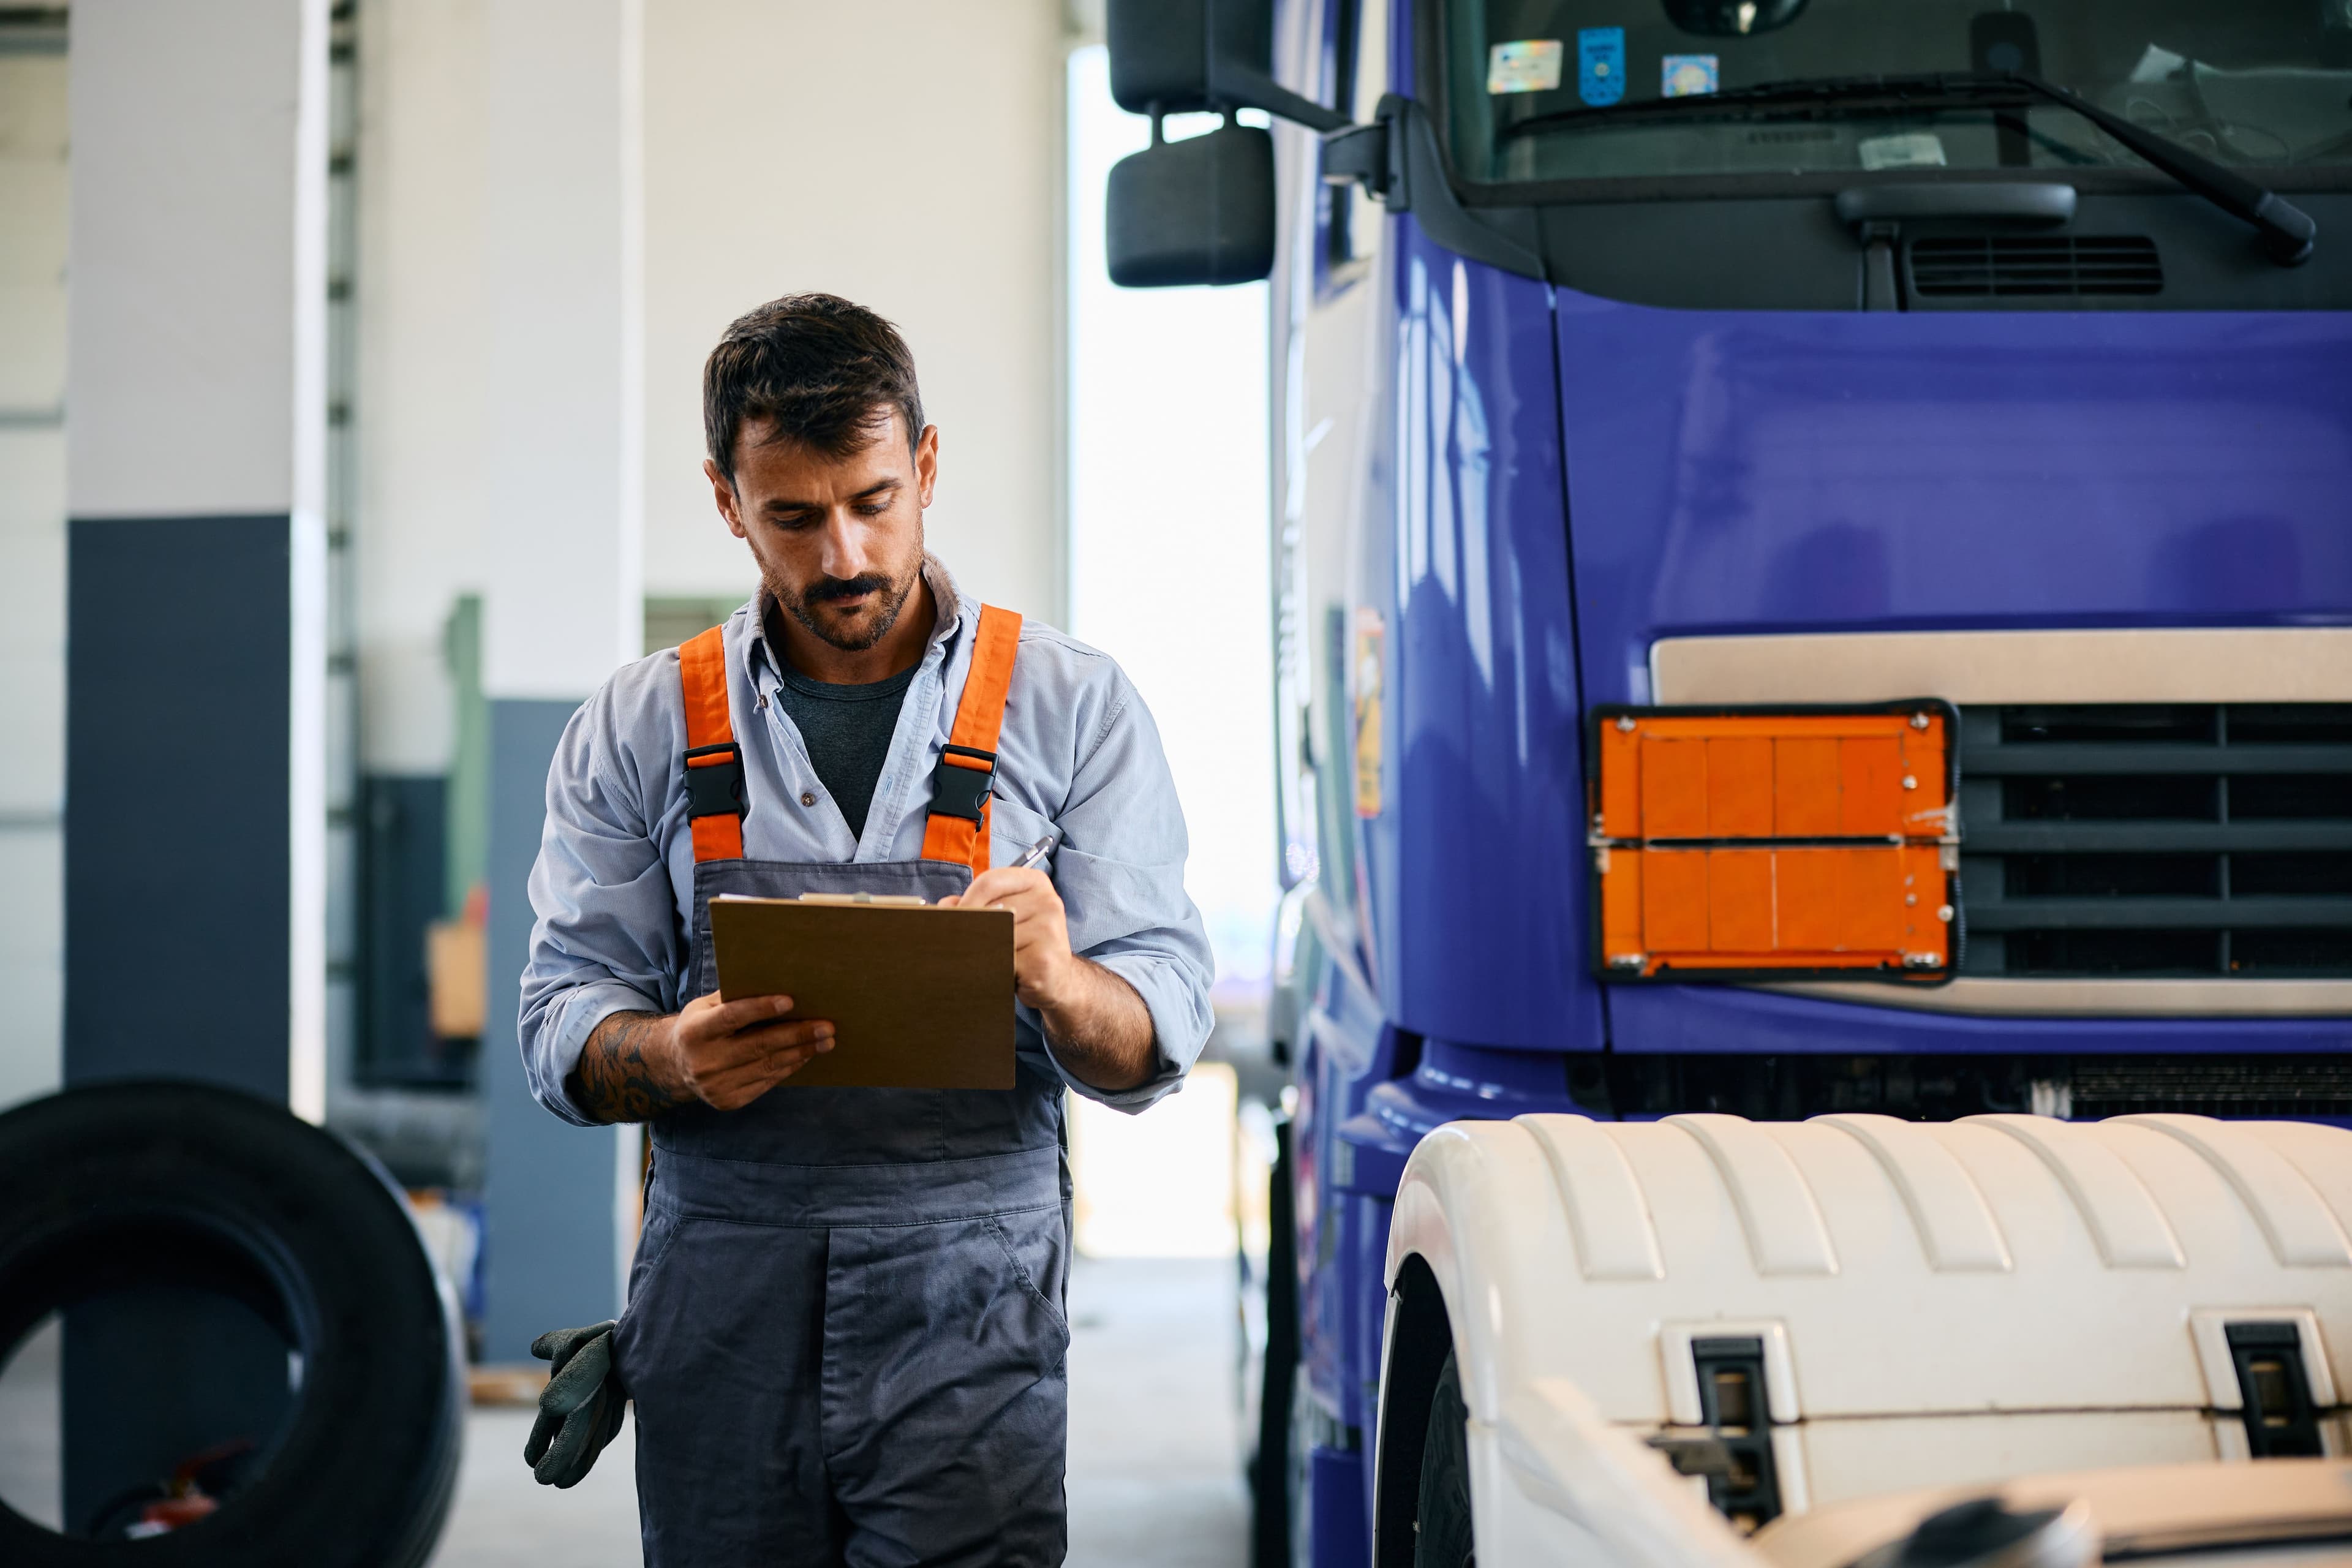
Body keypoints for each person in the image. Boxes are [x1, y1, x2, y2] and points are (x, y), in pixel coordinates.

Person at [516, 293, 1215, 1566]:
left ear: (927, 465)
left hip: (971, 1300)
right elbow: (560, 1023)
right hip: (721, 1289)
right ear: (729, 501)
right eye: (793, 515)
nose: (842, 554)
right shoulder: (638, 725)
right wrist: (670, 1052)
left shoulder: (1075, 707)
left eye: (874, 500)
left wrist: (1061, 979)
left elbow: (1152, 1039)